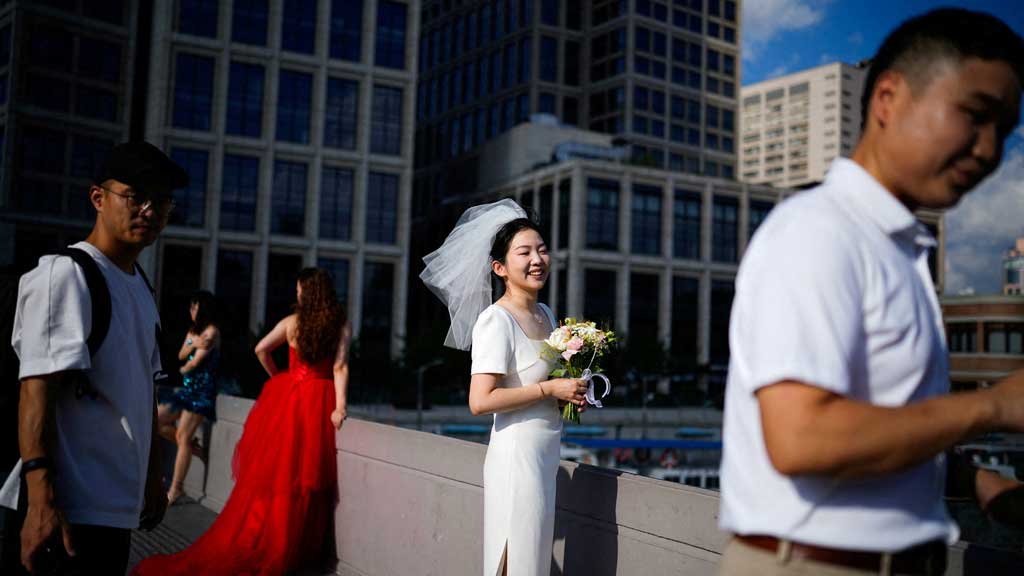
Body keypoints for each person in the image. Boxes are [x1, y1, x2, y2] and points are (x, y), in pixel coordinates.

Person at [718, 8, 1024, 576]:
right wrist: (996, 405)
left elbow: (880, 419)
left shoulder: (895, 246)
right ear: (887, 98)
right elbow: (802, 438)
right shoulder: (818, 231)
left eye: (1004, 132)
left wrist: (976, 481)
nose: (988, 151)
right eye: (976, 116)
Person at [0, 141, 188, 574]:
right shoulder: (66, 275)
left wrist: (151, 480)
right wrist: (42, 501)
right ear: (98, 198)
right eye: (135, 196)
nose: (149, 209)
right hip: (65, 514)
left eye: (160, 201)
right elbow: (36, 391)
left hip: (112, 512)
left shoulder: (140, 285)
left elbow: (141, 392)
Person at [132, 267, 351, 575]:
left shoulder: (292, 323)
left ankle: (267, 537)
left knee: (278, 474)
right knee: (307, 478)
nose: (296, 293)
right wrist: (339, 407)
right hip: (321, 399)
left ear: (307, 292)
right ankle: (298, 547)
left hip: (291, 396)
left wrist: (281, 379)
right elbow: (340, 367)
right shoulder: (340, 324)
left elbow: (261, 349)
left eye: (299, 288)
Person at [420, 199, 586, 576]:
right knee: (517, 561)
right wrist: (550, 391)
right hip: (515, 458)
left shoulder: (546, 315)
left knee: (534, 559)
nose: (537, 259)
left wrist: (571, 395)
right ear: (500, 268)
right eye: (524, 252)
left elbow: (541, 384)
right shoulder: (495, 321)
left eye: (542, 250)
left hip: (546, 454)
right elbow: (480, 401)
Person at [157, 289, 221, 505]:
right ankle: (193, 447)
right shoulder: (195, 332)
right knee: (156, 421)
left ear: (203, 309)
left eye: (195, 307)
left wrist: (188, 362)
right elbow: (181, 355)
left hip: (201, 392)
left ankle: (176, 489)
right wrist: (193, 344)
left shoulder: (211, 331)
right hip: (186, 390)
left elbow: (194, 362)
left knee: (182, 437)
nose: (191, 310)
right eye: (191, 306)